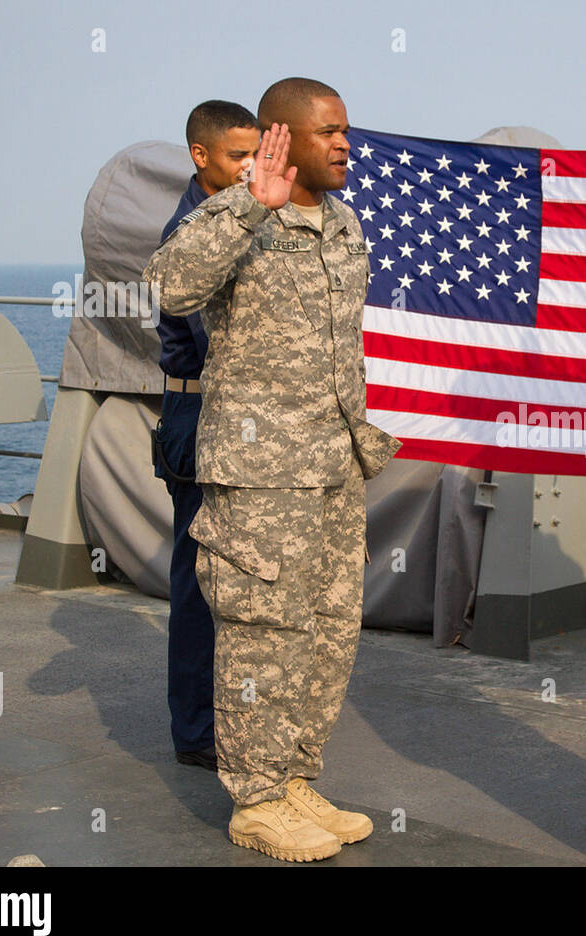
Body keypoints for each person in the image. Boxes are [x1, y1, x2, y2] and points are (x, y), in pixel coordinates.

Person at [144, 77, 401, 861]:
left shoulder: (345, 221)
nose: (344, 145)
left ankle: (293, 782)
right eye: (328, 132)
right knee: (262, 635)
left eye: (347, 131)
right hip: (259, 476)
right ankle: (255, 801)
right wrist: (250, 201)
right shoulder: (239, 213)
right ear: (282, 134)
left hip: (332, 466)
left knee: (326, 633)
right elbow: (171, 283)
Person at [152, 100, 260, 773]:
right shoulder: (192, 232)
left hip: (230, 417)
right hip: (201, 418)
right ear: (200, 155)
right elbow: (218, 342)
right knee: (198, 582)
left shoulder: (237, 218)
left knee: (232, 581)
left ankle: (225, 716)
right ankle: (195, 731)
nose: (250, 167)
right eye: (236, 156)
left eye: (256, 154)